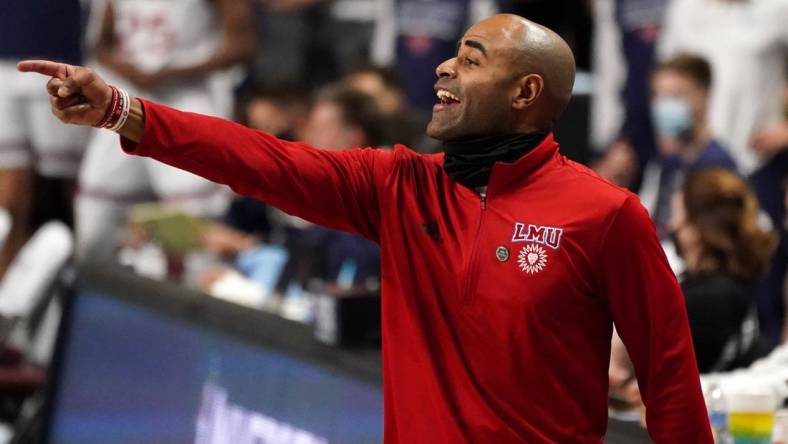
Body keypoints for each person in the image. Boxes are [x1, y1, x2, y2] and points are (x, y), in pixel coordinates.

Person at [19, 14, 713, 442]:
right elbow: (265, 160)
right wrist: (121, 110)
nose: (444, 64)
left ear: (525, 92)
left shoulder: (605, 213)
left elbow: (669, 373)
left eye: (472, 58)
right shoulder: (400, 186)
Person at [75, 0, 254, 259]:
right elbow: (101, 44)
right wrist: (130, 69)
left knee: (194, 219)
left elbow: (243, 45)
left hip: (188, 101)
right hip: (127, 99)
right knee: (96, 211)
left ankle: (196, 292)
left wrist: (176, 70)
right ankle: (86, 292)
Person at [0, 0, 91, 278]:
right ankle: (8, 292)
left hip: (64, 57)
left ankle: (69, 288)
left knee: (62, 193)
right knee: (9, 201)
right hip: (5, 57)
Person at [639, 54, 737, 237]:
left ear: (705, 95)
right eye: (658, 96)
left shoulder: (718, 167)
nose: (663, 106)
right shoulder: (668, 160)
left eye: (675, 96)